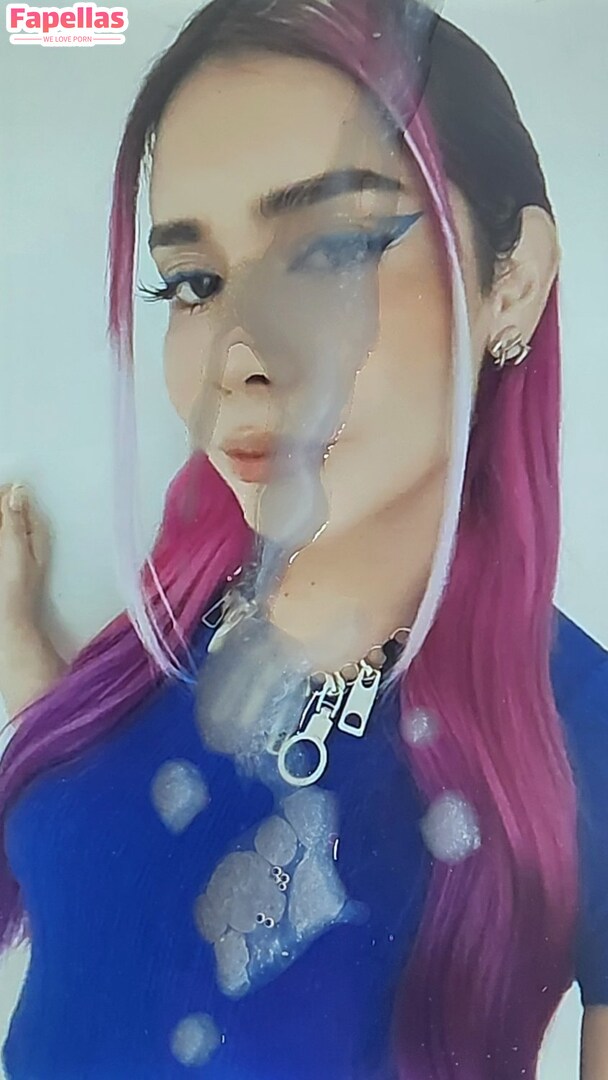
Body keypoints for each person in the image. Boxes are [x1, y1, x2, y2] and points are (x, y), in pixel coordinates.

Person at [1, 0, 607, 1076]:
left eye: (330, 251)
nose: (237, 356)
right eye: (195, 283)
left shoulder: (584, 738)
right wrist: (24, 650)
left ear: (511, 278)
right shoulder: (172, 623)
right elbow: (119, 893)